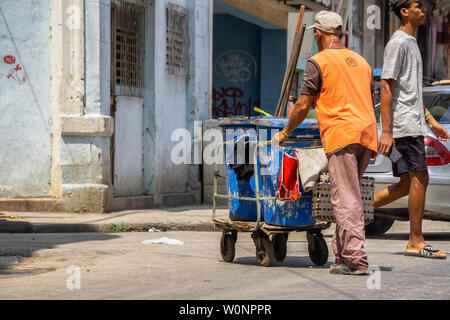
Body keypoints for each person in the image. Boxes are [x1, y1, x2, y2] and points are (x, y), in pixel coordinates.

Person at [271, 11, 378, 275]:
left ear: (318, 34)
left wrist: (285, 132)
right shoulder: (361, 62)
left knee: (346, 198)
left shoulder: (318, 62)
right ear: (340, 34)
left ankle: (355, 259)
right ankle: (341, 256)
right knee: (344, 195)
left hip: (342, 135)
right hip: (366, 134)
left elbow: (303, 105)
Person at [375, 0, 449, 259]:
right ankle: (415, 240)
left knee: (406, 184)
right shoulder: (398, 43)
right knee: (420, 178)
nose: (424, 9)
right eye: (418, 4)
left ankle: (350, 213)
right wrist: (386, 132)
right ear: (404, 11)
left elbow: (411, 92)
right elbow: (386, 86)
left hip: (412, 123)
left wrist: (430, 121)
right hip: (403, 127)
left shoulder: (411, 43)